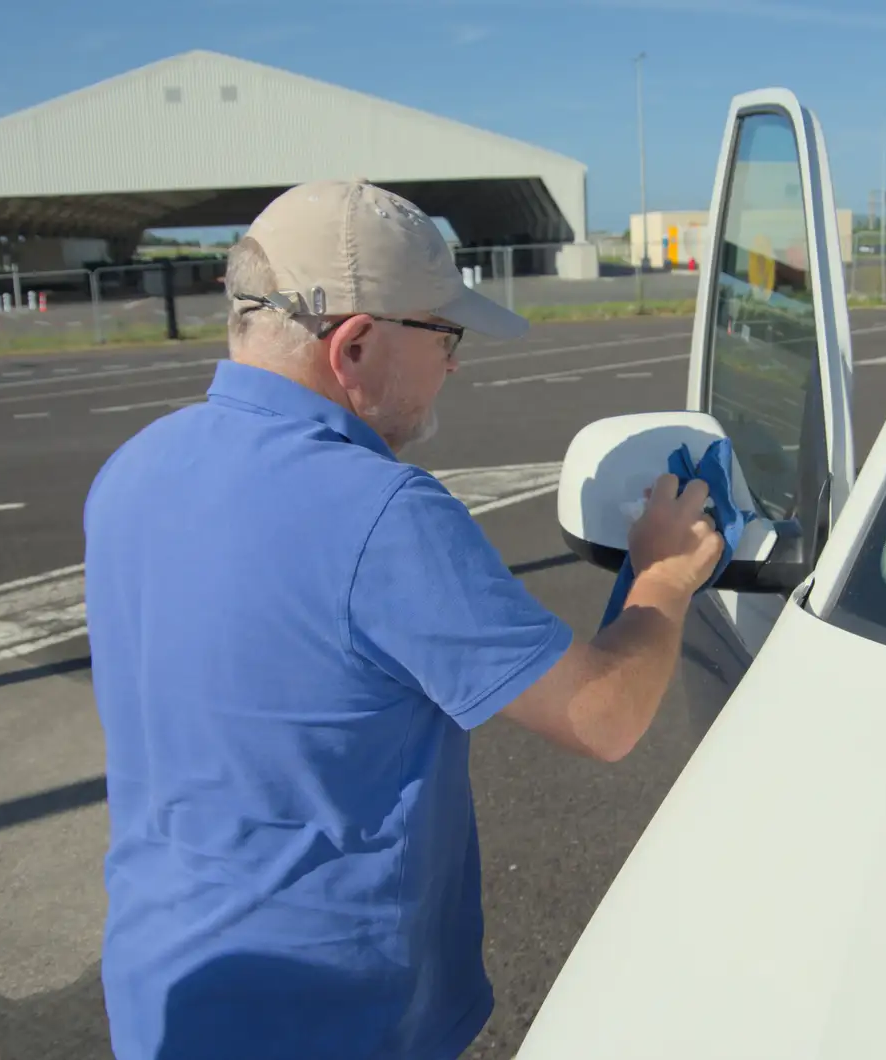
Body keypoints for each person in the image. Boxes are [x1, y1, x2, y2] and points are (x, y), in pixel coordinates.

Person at [83, 179, 723, 1060]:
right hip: (327, 1015)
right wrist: (663, 572)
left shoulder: (133, 467)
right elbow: (603, 716)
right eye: (444, 335)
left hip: (165, 988)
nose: (454, 363)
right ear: (352, 346)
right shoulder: (380, 514)